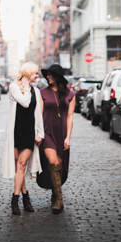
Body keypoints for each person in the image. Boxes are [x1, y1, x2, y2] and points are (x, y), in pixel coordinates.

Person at [2, 61, 44, 215]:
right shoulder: (14, 87)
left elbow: (38, 113)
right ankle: (26, 197)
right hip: (15, 132)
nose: (37, 76)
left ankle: (15, 199)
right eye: (35, 73)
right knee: (19, 167)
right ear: (27, 73)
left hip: (29, 133)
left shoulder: (36, 91)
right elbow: (25, 103)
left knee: (21, 164)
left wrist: (40, 132)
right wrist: (26, 88)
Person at [39, 64, 75, 214]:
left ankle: (55, 193)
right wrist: (38, 133)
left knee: (60, 164)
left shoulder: (70, 94)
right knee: (53, 161)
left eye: (49, 75)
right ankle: (59, 200)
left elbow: (70, 117)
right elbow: (39, 115)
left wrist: (68, 137)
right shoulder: (42, 92)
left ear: (57, 76)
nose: (47, 77)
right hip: (47, 132)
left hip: (62, 133)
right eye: (46, 74)